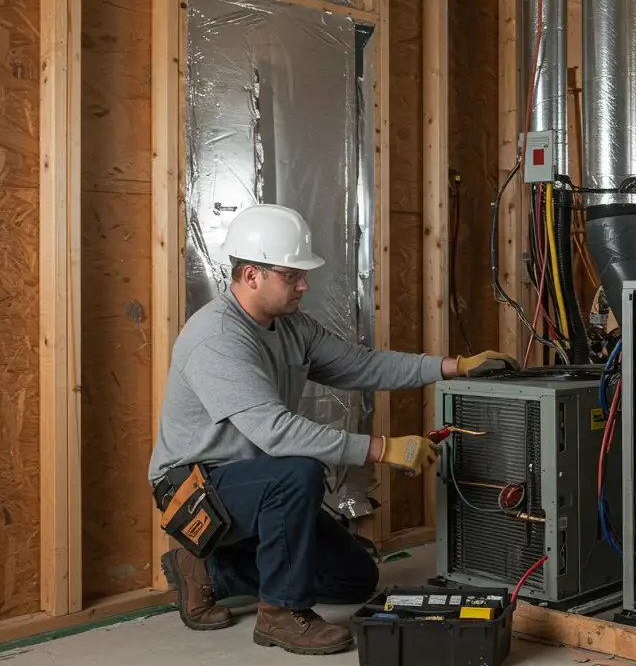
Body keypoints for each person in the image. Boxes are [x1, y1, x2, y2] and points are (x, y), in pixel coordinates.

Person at [148, 203, 522, 654]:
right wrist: (382, 448)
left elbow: (360, 365)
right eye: (292, 275)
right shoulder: (216, 339)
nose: (304, 284)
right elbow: (276, 432)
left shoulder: (291, 327)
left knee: (355, 578)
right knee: (298, 471)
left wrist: (452, 366)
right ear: (251, 276)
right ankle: (280, 614)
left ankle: (209, 571)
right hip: (194, 490)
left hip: (254, 477)